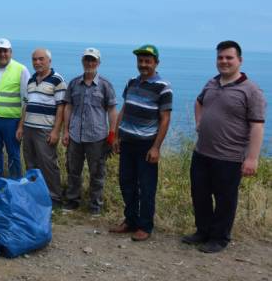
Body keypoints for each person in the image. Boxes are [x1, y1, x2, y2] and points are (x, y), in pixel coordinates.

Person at [182, 40, 266, 253]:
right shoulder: (212, 82)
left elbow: (257, 126)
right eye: (220, 57)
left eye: (229, 57)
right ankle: (203, 231)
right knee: (199, 194)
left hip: (229, 156)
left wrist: (252, 158)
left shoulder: (251, 90)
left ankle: (219, 238)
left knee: (225, 200)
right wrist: (199, 122)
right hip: (202, 152)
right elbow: (199, 102)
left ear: (240, 60)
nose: (224, 61)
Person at [110, 44, 172, 241]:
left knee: (146, 187)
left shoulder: (163, 87)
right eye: (141, 61)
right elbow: (124, 110)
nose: (143, 64)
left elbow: (165, 119)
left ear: (156, 63)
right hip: (127, 142)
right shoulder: (131, 82)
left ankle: (145, 226)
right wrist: (117, 136)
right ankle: (130, 221)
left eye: (148, 61)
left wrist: (156, 147)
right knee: (126, 183)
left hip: (146, 145)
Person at [62, 47, 118, 216]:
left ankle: (95, 206)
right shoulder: (73, 83)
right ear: (82, 61)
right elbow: (68, 107)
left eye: (93, 60)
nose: (89, 63)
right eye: (87, 59)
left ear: (98, 63)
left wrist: (112, 135)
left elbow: (112, 110)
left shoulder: (105, 85)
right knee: (73, 170)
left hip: (97, 137)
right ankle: (72, 201)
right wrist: (66, 131)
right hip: (75, 136)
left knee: (97, 172)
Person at [16, 48, 67, 206]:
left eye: (41, 59)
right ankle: (35, 195)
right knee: (30, 163)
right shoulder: (31, 80)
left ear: (49, 61)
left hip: (45, 130)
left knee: (48, 164)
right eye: (34, 59)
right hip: (29, 129)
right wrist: (20, 127)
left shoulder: (57, 80)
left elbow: (61, 107)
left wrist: (56, 131)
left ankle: (54, 198)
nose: (37, 62)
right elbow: (27, 105)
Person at [0, 38, 30, 179]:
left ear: (11, 52)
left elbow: (26, 100)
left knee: (13, 154)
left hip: (12, 121)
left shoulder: (21, 69)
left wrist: (21, 126)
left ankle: (15, 183)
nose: (2, 54)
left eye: (5, 51)